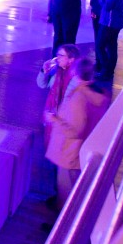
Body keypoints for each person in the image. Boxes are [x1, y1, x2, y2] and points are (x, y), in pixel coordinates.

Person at [44, 57, 110, 204]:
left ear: (74, 72)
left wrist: (54, 120)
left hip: (69, 152)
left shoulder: (79, 97)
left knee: (66, 192)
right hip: (82, 150)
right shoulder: (98, 94)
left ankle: (62, 224)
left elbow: (74, 131)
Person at [37, 44, 81, 205]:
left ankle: (63, 202)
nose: (57, 58)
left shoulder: (76, 80)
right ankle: (58, 195)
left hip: (64, 126)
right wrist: (43, 70)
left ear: (71, 59)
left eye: (61, 56)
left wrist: (57, 120)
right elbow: (42, 84)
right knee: (56, 162)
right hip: (53, 123)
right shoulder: (57, 72)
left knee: (62, 165)